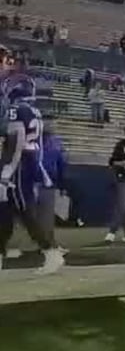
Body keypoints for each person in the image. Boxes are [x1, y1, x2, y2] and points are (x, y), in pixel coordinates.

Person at [0, 75, 64, 273]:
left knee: (25, 211)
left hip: (18, 166)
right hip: (27, 162)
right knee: (5, 213)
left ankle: (51, 252)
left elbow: (16, 143)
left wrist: (6, 172)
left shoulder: (16, 110)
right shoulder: (34, 111)